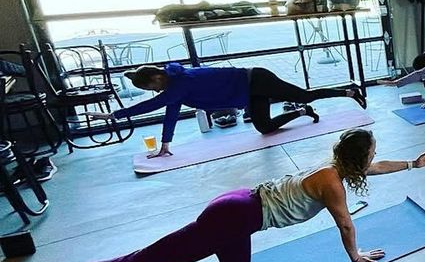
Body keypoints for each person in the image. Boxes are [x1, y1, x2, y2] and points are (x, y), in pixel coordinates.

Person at [0, 129, 425, 262]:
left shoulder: (336, 167)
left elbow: (375, 168)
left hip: (241, 211)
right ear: (357, 156)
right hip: (234, 217)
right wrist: (355, 256)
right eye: (374, 152)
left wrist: (412, 165)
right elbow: (344, 222)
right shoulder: (333, 184)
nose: (377, 158)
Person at [86, 63, 366, 158]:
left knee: (303, 93)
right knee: (265, 128)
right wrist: (165, 145)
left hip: (256, 79)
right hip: (248, 92)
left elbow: (155, 105)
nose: (155, 93)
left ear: (157, 79)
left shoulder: (180, 82)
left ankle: (349, 90)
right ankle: (303, 113)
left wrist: (113, 116)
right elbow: (168, 112)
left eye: (152, 88)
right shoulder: (174, 88)